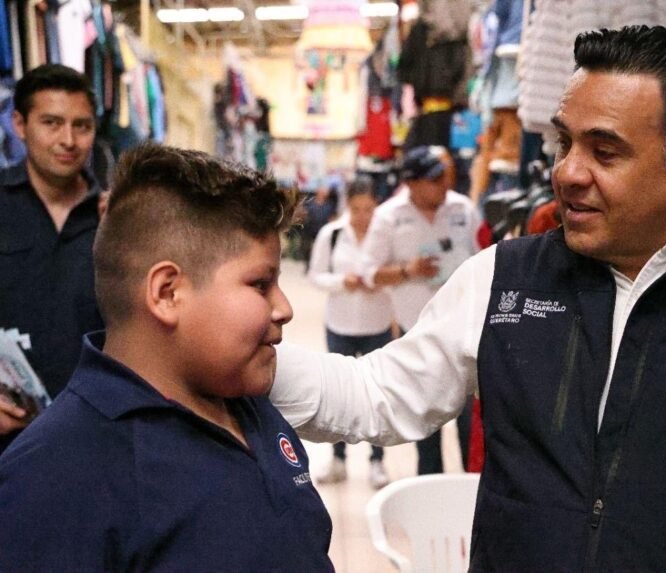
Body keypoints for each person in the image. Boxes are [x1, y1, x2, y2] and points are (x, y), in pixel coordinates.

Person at [271, 25, 666, 570]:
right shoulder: (503, 279)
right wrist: (244, 349)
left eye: (605, 152)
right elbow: (376, 394)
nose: (568, 173)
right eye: (563, 142)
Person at [0, 144, 334, 571]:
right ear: (167, 293)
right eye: (259, 284)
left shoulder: (248, 404)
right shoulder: (56, 477)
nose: (283, 308)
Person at [361, 144, 481, 475]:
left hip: (465, 332)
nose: (444, 184)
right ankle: (429, 490)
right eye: (434, 179)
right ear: (411, 183)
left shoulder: (463, 209)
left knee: (469, 425)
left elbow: (485, 257)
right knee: (426, 424)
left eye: (444, 177)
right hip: (417, 334)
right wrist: (408, 271)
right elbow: (368, 273)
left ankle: (471, 490)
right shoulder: (388, 216)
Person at [0, 64, 102, 453]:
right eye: (52, 123)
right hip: (10, 435)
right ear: (19, 124)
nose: (68, 140)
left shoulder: (117, 218)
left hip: (95, 434)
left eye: (82, 126)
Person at [308, 175, 394, 489]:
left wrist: (380, 281)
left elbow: (398, 274)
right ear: (347, 206)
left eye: (369, 209)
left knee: (378, 395)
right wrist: (341, 282)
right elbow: (315, 275)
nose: (362, 216)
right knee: (340, 395)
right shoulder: (331, 234)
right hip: (340, 325)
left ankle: (377, 461)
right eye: (356, 209)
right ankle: (338, 459)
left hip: (378, 324)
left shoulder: (386, 233)